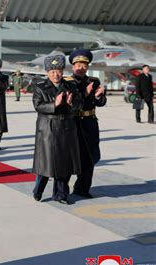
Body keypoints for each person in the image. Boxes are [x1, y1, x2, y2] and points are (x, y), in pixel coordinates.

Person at [32, 55, 83, 204]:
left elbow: (79, 104)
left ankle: (61, 194)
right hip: (48, 130)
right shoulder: (40, 87)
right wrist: (55, 104)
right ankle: (38, 190)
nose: (56, 74)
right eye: (52, 71)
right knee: (45, 165)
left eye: (59, 71)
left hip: (66, 129)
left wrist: (70, 104)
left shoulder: (70, 87)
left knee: (64, 165)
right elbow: (38, 106)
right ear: (47, 72)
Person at [67, 49, 107, 198]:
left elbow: (101, 103)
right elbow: (72, 104)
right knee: (72, 157)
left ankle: (83, 188)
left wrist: (98, 97)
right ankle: (62, 189)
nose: (81, 67)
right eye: (78, 65)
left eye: (84, 65)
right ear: (73, 66)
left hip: (90, 123)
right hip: (74, 123)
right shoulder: (68, 83)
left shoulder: (94, 81)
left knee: (90, 157)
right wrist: (84, 94)